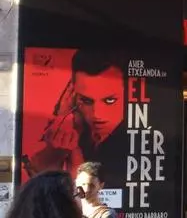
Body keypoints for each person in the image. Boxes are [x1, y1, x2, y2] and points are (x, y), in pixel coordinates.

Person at [24, 51, 127, 188]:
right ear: (72, 94)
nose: (97, 114)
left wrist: (72, 150)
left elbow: (82, 191)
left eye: (110, 100)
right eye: (86, 100)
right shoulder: (77, 127)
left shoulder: (130, 139)